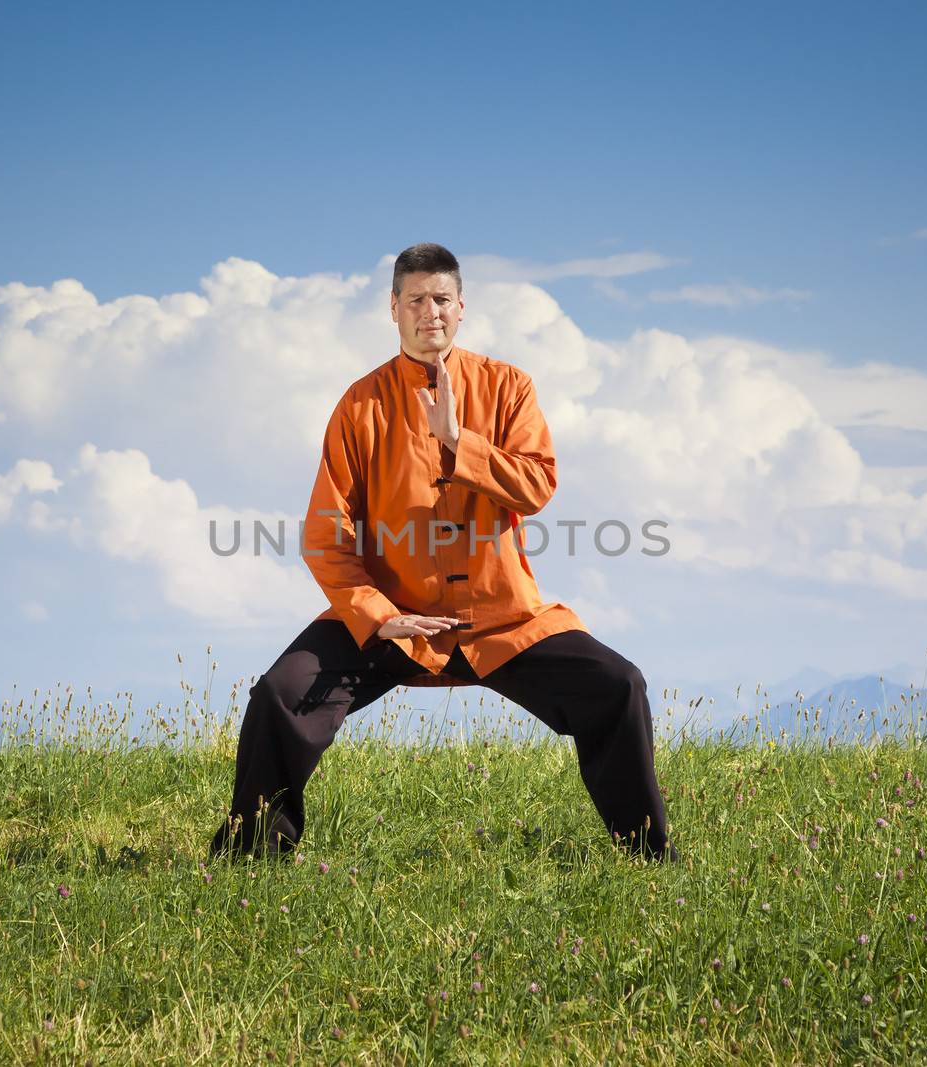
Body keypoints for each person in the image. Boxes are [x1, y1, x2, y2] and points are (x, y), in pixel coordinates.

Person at [209, 243, 672, 861]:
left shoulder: (509, 387)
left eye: (443, 299)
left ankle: (647, 858)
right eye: (417, 300)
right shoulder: (359, 405)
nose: (432, 312)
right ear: (393, 308)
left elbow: (537, 485)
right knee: (281, 693)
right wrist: (377, 616)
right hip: (395, 617)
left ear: (462, 308)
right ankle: (249, 861)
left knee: (618, 685)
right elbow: (326, 532)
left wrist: (458, 442)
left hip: (501, 619)